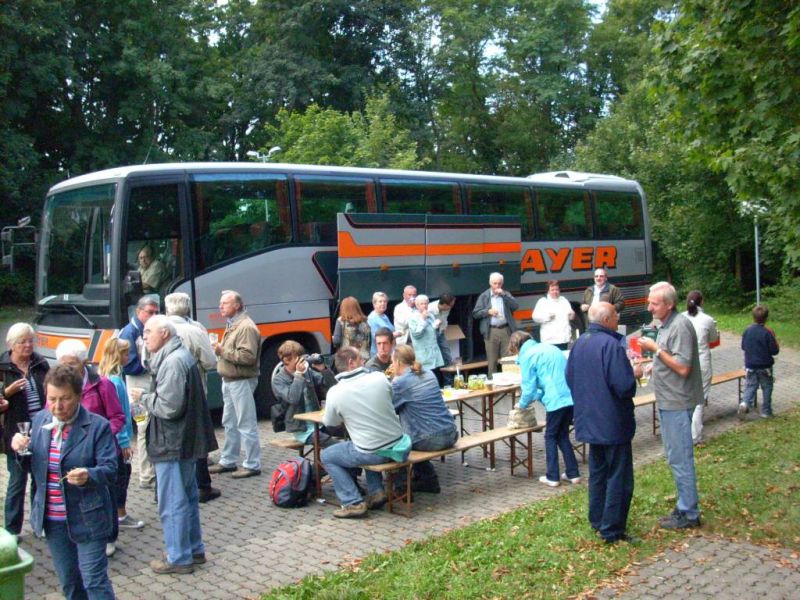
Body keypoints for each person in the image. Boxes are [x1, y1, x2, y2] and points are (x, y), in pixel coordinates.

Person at [11, 365, 117, 598]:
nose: (57, 406)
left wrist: (89, 475)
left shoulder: (97, 426)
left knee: (94, 581)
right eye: (52, 399)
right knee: (70, 583)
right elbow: (32, 467)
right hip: (53, 520)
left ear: (78, 396)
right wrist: (19, 450)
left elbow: (111, 470)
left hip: (88, 518)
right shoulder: (40, 421)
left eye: (65, 399)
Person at [131, 315, 217, 574]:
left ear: (165, 334)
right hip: (183, 440)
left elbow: (169, 407)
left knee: (172, 502)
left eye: (149, 331)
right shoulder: (177, 356)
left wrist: (144, 397)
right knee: (187, 497)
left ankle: (178, 557)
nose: (144, 336)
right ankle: (194, 549)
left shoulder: (172, 362)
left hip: (172, 442)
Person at [566, 302, 639, 544]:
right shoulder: (611, 345)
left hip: (589, 419)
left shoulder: (580, 343)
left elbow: (569, 377)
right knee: (619, 476)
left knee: (598, 473)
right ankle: (612, 529)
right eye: (616, 315)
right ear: (606, 320)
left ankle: (597, 519)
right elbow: (624, 386)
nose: (618, 318)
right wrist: (634, 375)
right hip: (612, 421)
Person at [638, 281, 704, 530]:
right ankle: (684, 504)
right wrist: (653, 365)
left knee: (680, 457)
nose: (649, 308)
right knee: (674, 456)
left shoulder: (680, 326)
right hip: (668, 399)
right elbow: (670, 358)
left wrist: (656, 350)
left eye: (654, 304)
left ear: (669, 304)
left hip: (678, 400)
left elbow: (683, 368)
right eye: (649, 302)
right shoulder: (666, 325)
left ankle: (689, 513)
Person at [56, 339, 127, 558]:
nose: (67, 369)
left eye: (71, 364)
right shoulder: (58, 386)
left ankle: (109, 536)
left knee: (106, 493)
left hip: (100, 450)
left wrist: (101, 435)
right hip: (71, 448)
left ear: (84, 362)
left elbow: (118, 416)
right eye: (63, 364)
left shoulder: (102, 384)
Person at [321, 347, 411, 518]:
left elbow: (330, 423)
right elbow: (391, 399)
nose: (364, 361)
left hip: (374, 453)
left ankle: (352, 502)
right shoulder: (379, 378)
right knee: (366, 441)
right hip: (400, 446)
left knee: (327, 456)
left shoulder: (335, 392)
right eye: (361, 358)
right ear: (351, 362)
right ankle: (376, 491)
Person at [165, 292, 221, 503]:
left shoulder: (156, 328)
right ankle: (202, 486)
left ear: (167, 308)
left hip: (165, 392)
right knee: (197, 436)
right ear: (187, 308)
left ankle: (171, 486)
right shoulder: (195, 330)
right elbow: (210, 361)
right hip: (193, 391)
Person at [508, 331, 580, 487]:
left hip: (555, 400)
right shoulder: (550, 348)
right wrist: (537, 395)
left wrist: (521, 404)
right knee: (562, 435)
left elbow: (529, 387)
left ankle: (553, 476)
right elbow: (547, 379)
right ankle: (573, 473)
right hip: (570, 397)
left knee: (550, 436)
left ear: (516, 346)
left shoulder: (527, 356)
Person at [1, 322, 49, 538]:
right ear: (11, 345)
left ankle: (39, 524)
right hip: (15, 433)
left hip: (41, 430)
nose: (28, 345)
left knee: (40, 480)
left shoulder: (40, 363)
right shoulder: (3, 367)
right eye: (22, 342)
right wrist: (6, 392)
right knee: (17, 481)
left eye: (30, 341)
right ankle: (11, 531)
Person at [390, 344, 458, 494]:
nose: (392, 366)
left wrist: (393, 381)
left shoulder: (400, 383)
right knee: (414, 426)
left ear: (398, 362)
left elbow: (390, 409)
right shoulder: (429, 373)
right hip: (451, 433)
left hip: (430, 440)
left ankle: (402, 486)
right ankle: (427, 479)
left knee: (399, 442)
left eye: (392, 362)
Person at [209, 290, 262, 478]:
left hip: (241, 380)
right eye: (221, 303)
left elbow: (248, 357)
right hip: (230, 380)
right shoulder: (233, 324)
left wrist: (221, 351)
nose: (220, 306)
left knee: (245, 422)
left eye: (225, 303)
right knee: (229, 422)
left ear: (237, 305)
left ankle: (252, 464)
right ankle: (228, 460)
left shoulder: (245, 327)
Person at [97, 337, 145, 541]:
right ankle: (120, 514)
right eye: (126, 353)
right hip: (118, 438)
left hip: (112, 437)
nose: (128, 356)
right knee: (122, 475)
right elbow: (119, 414)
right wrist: (125, 442)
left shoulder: (104, 375)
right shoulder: (115, 381)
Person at [119, 295, 159, 488]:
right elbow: (129, 366)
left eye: (156, 312)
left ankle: (151, 471)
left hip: (148, 383)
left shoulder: (149, 329)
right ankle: (146, 475)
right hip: (136, 385)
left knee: (150, 427)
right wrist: (152, 366)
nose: (153, 316)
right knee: (143, 428)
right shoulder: (129, 332)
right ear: (139, 312)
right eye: (150, 312)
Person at [271, 340, 337, 444]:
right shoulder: (279, 380)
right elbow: (293, 398)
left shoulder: (307, 371)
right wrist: (298, 375)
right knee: (334, 444)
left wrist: (323, 369)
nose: (301, 360)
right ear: (287, 360)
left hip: (318, 422)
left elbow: (332, 386)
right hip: (301, 429)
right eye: (297, 357)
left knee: (348, 432)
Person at [682, 291, 719, 444]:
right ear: (702, 301)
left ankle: (684, 431)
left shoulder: (681, 318)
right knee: (699, 400)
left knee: (686, 397)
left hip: (684, 362)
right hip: (702, 362)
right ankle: (695, 435)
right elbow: (713, 338)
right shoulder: (707, 319)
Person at [472, 272, 519, 375]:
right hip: (491, 331)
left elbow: (515, 306)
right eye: (495, 283)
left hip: (506, 329)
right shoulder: (484, 296)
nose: (497, 286)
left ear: (502, 284)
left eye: (499, 283)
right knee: (492, 361)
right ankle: (493, 383)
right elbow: (475, 313)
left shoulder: (505, 294)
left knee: (508, 360)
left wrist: (504, 295)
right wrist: (487, 312)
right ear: (490, 283)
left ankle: (509, 383)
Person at [740, 305, 780, 418]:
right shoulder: (768, 332)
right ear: (766, 318)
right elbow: (774, 350)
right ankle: (766, 411)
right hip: (765, 366)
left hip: (750, 365)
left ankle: (744, 403)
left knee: (750, 386)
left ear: (753, 317)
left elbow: (743, 346)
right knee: (767, 386)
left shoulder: (747, 330)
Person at [532, 280, 576, 350]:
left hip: (563, 339)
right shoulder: (543, 301)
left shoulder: (564, 300)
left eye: (557, 289)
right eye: (552, 290)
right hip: (550, 341)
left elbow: (571, 317)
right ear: (548, 291)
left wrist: (572, 315)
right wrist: (547, 317)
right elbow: (535, 317)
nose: (555, 292)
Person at [408, 294, 445, 372]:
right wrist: (422, 319)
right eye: (422, 304)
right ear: (417, 305)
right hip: (423, 356)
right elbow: (416, 334)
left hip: (435, 355)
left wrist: (436, 326)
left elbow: (434, 333)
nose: (424, 306)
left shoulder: (430, 315)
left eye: (426, 303)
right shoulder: (412, 318)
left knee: (438, 376)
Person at [332, 296, 371, 360]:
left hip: (348, 359)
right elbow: (369, 341)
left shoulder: (341, 321)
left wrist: (333, 338)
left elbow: (337, 342)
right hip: (364, 358)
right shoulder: (366, 322)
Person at [429, 293, 456, 368]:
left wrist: (443, 327)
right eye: (450, 305)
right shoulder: (430, 308)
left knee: (445, 349)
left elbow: (444, 318)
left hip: (441, 331)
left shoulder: (447, 309)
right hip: (431, 333)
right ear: (444, 305)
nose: (451, 307)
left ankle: (449, 366)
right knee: (434, 352)